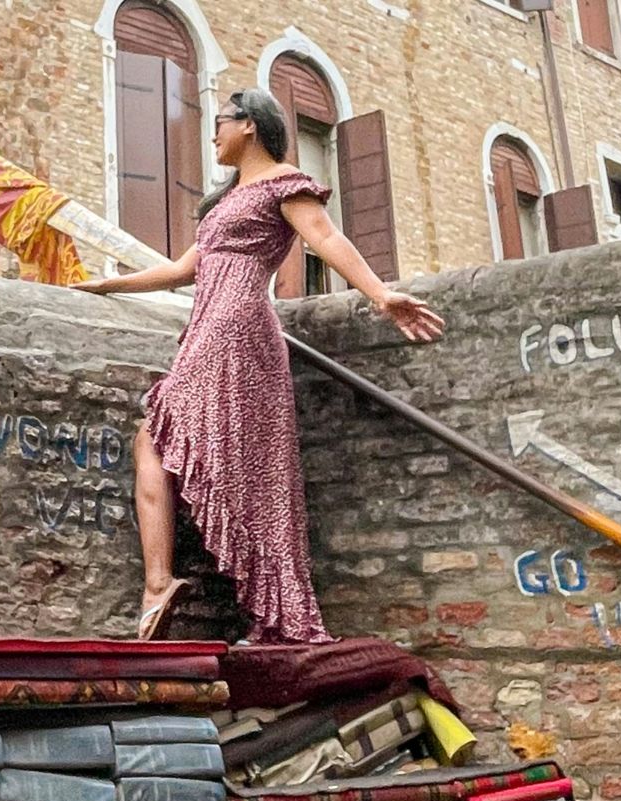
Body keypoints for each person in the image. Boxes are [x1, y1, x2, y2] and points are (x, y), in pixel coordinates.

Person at [73, 87, 445, 643]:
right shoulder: (224, 203)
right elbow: (182, 270)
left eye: (220, 122)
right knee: (188, 450)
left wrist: (379, 294)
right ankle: (185, 590)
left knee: (162, 435)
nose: (213, 134)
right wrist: (106, 284)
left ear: (249, 125)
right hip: (211, 326)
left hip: (237, 324)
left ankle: (168, 587)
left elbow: (325, 236)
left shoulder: (284, 183)